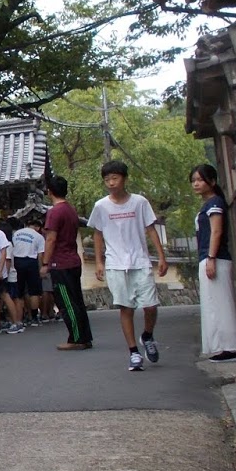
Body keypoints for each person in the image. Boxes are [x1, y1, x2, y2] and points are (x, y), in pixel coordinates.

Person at [87, 159, 170, 372]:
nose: (111, 183)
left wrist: (161, 256)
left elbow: (151, 229)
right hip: (115, 263)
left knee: (150, 305)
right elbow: (97, 234)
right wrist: (98, 261)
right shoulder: (101, 206)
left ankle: (148, 335)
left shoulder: (139, 202)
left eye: (115, 178)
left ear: (124, 179)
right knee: (126, 307)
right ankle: (133, 352)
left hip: (140, 260)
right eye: (107, 179)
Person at [191, 163, 236, 362]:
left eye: (200, 179)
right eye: (194, 180)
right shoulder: (208, 204)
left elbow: (216, 231)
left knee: (221, 304)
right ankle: (224, 346)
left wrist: (211, 258)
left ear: (212, 182)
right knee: (214, 304)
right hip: (209, 257)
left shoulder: (215, 203)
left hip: (215, 258)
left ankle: (231, 348)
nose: (196, 184)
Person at [40, 176, 93, 350]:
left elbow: (51, 239)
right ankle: (84, 336)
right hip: (73, 259)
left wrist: (45, 262)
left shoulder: (54, 212)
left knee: (66, 302)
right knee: (76, 299)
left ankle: (76, 338)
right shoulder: (71, 210)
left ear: (50, 192)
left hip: (60, 263)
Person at [11, 214, 47, 326]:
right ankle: (35, 317)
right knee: (34, 292)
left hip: (17, 261)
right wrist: (41, 268)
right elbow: (41, 255)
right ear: (37, 227)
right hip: (31, 262)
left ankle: (21, 318)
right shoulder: (39, 236)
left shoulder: (16, 234)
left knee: (19, 292)